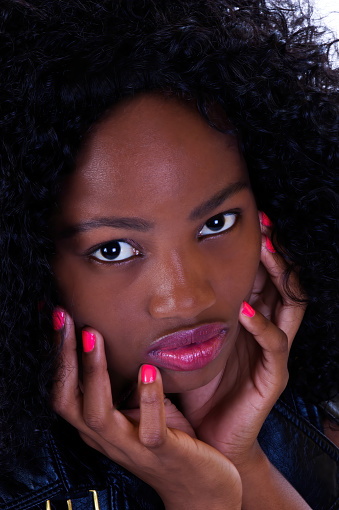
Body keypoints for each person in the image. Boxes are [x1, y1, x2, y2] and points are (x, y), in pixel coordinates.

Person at [0, 0, 338, 508]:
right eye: (114, 250)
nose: (185, 298)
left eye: (216, 223)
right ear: (27, 262)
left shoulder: (309, 427)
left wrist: (244, 461)